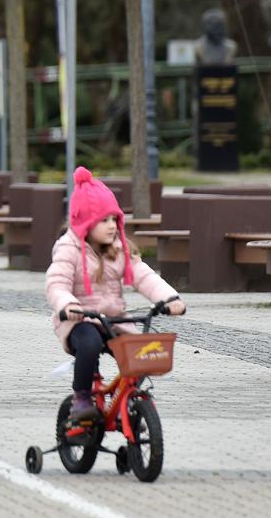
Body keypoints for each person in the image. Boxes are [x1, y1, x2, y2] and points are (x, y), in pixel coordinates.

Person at [45, 167, 186, 423]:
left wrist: (169, 298)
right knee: (90, 343)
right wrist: (67, 304)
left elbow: (144, 276)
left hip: (114, 321)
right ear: (86, 223)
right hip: (79, 321)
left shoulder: (118, 249)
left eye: (114, 219)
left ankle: (128, 400)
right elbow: (56, 283)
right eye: (104, 220)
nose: (112, 226)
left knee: (143, 353)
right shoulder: (69, 249)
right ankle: (82, 398)